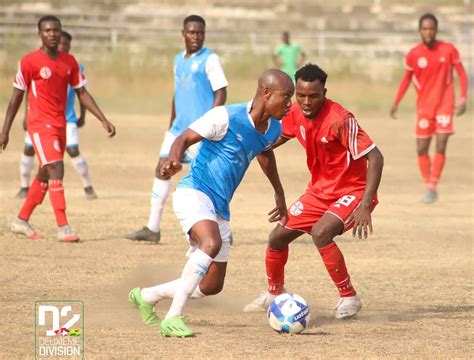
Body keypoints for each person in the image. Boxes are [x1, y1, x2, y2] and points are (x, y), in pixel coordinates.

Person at [128, 69, 294, 337]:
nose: (290, 104)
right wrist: (172, 159)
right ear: (266, 93)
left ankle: (146, 296)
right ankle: (173, 318)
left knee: (211, 285)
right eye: (285, 97)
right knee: (211, 243)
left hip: (220, 207)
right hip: (194, 192)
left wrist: (279, 192)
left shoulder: (273, 127)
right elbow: (183, 138)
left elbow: (265, 155)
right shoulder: (225, 117)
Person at [243, 64, 384, 319]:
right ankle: (274, 293)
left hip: (353, 192)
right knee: (276, 238)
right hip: (319, 192)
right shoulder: (295, 113)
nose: (306, 102)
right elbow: (271, 142)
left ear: (324, 92)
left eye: (314, 96)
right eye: (301, 95)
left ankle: (349, 297)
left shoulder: (341, 119)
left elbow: (375, 157)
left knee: (321, 232)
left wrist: (364, 204)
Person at [0, 15, 115, 242]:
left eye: (56, 30)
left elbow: (82, 92)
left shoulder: (69, 62)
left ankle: (21, 220)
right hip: (39, 124)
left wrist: (102, 118)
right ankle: (63, 226)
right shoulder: (29, 61)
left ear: (61, 33)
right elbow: (16, 97)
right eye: (48, 30)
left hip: (61, 123)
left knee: (45, 173)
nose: (52, 34)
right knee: (56, 168)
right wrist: (5, 130)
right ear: (40, 34)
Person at [126, 14, 228, 243]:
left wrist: (210, 123)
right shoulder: (177, 60)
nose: (196, 36)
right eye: (191, 32)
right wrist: (171, 123)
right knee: (162, 168)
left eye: (200, 32)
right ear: (183, 34)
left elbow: (221, 92)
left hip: (198, 131)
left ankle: (219, 229)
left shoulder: (210, 59)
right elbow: (177, 94)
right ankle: (152, 228)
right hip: (177, 129)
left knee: (205, 177)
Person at [390, 13, 468, 204]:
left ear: (436, 29)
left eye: (431, 28)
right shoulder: (414, 54)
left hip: (445, 105)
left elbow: (462, 74)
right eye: (424, 28)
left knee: (441, 144)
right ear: (419, 30)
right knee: (422, 149)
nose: (428, 32)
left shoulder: (448, 49)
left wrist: (463, 98)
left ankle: (432, 186)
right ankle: (429, 183)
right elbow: (406, 79)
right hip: (424, 108)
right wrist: (396, 102)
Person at [16, 30, 98, 200]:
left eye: (67, 45)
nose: (64, 47)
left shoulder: (74, 65)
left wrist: (83, 116)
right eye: (62, 44)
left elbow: (82, 93)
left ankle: (88, 186)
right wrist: (25, 115)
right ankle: (24, 187)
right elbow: (27, 92)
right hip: (39, 118)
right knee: (29, 149)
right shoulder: (36, 62)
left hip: (66, 118)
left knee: (73, 149)